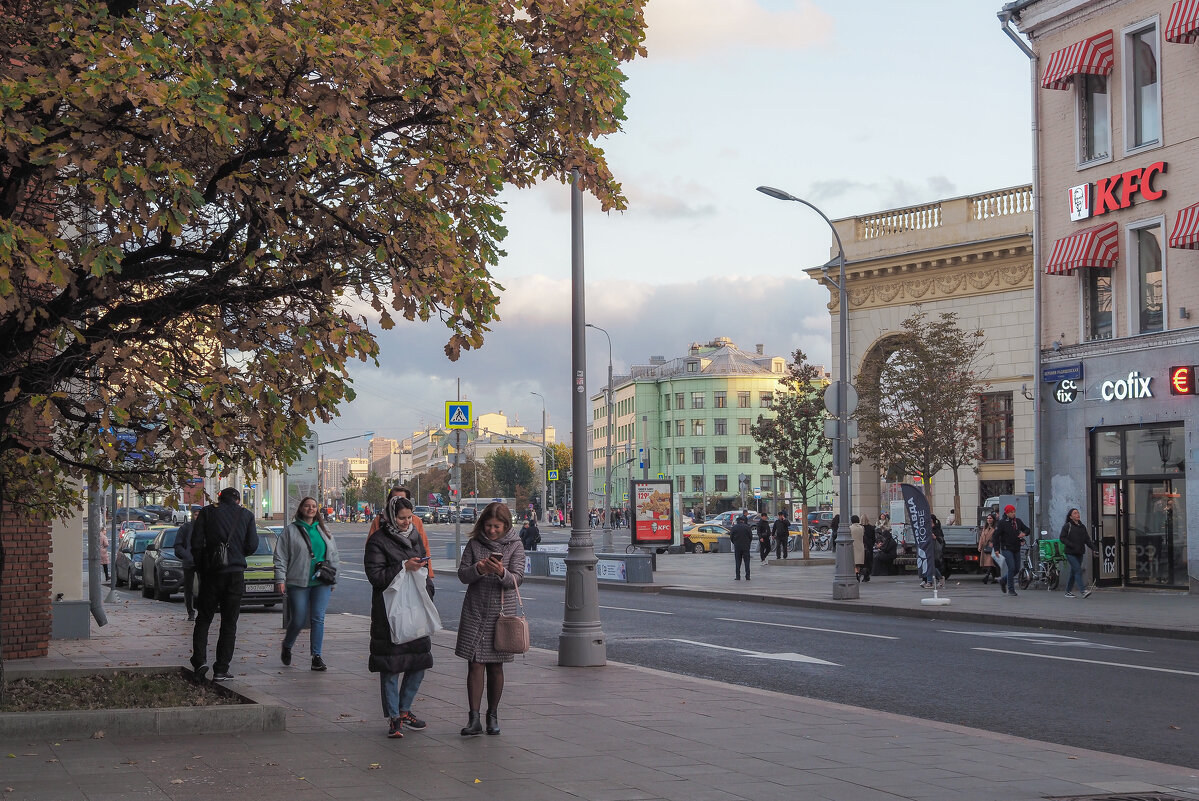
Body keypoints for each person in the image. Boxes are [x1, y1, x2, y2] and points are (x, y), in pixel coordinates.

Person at [365, 495, 433, 739]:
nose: (406, 522)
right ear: (391, 516)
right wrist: (404, 566)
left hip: (415, 607)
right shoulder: (378, 541)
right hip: (390, 611)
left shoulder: (415, 536)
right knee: (391, 667)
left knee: (419, 663)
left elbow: (425, 566)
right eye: (401, 518)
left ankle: (405, 710)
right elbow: (375, 576)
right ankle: (394, 717)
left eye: (409, 517)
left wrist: (427, 586)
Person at [455, 502, 525, 737]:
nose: (492, 530)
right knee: (474, 663)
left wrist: (500, 572)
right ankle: (473, 718)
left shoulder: (515, 545)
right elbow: (463, 574)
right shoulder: (475, 543)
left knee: (496, 665)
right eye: (488, 526)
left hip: (501, 612)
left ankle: (492, 715)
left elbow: (517, 578)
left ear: (506, 525)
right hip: (475, 609)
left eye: (496, 526)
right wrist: (479, 569)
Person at [189, 488, 258, 681]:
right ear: (238, 500)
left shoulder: (207, 512)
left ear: (220, 498)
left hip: (211, 573)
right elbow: (252, 545)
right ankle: (221, 668)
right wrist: (235, 552)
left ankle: (199, 661)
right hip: (235, 574)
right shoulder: (246, 515)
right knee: (229, 623)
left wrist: (202, 566)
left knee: (204, 619)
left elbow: (195, 543)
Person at [275, 496, 339, 671]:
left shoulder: (324, 530)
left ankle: (316, 656)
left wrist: (334, 579)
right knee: (299, 619)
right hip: (298, 582)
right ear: (301, 508)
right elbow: (280, 556)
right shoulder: (290, 531)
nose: (311, 509)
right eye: (307, 506)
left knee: (318, 617)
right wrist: (280, 579)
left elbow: (333, 556)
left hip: (321, 581)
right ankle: (287, 645)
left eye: (313, 506)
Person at [369, 486, 434, 580]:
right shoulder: (379, 523)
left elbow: (425, 549)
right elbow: (373, 565)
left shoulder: (416, 521)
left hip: (415, 583)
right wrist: (403, 567)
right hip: (390, 587)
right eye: (395, 499)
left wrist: (429, 579)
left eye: (402, 499)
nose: (406, 522)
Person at [995, 503, 1029, 597]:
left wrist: (1024, 534)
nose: (1013, 513)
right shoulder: (1002, 523)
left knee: (1017, 568)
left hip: (1016, 547)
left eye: (1014, 512)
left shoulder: (1017, 521)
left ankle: (1003, 580)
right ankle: (1011, 589)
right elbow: (996, 536)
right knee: (1012, 567)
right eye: (1011, 512)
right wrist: (996, 549)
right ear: (1007, 513)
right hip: (1006, 548)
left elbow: (1027, 529)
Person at [1059, 507, 1093, 599]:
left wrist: (1094, 548)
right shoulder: (1067, 526)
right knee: (1078, 570)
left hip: (1079, 552)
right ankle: (1083, 591)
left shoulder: (1082, 527)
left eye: (1078, 513)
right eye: (1075, 513)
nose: (1077, 514)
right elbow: (1062, 538)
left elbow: (1087, 539)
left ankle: (1068, 591)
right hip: (1070, 552)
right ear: (1070, 516)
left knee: (1074, 572)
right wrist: (1071, 545)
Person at [174, 519, 196, 620]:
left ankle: (204, 608)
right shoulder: (185, 528)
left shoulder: (207, 526)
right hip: (189, 562)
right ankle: (190, 611)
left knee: (206, 587)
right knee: (188, 588)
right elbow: (178, 545)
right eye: (196, 514)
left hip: (203, 561)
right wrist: (187, 556)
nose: (198, 516)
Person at [727, 514, 754, 581]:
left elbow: (731, 537)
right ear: (743, 521)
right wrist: (748, 543)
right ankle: (747, 576)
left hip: (737, 546)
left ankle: (737, 576)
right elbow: (750, 537)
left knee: (738, 562)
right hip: (746, 546)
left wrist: (735, 543)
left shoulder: (734, 527)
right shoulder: (747, 527)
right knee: (747, 562)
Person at [978, 513, 998, 585]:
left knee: (990, 562)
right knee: (991, 564)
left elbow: (997, 537)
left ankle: (986, 576)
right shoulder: (985, 527)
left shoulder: (995, 528)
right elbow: (981, 537)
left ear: (993, 519)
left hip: (992, 547)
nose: (989, 520)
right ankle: (994, 578)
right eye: (988, 518)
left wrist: (993, 543)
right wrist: (980, 546)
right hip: (985, 547)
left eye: (990, 518)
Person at [849, 515, 866, 580]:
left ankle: (856, 573)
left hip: (852, 546)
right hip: (860, 546)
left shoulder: (850, 528)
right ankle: (858, 573)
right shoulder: (862, 528)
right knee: (858, 562)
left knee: (853, 561)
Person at [860, 515, 876, 582]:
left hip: (862, 545)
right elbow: (874, 538)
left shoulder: (860, 527)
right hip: (869, 545)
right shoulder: (871, 527)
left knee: (862, 560)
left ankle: (862, 573)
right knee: (869, 560)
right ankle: (867, 574)